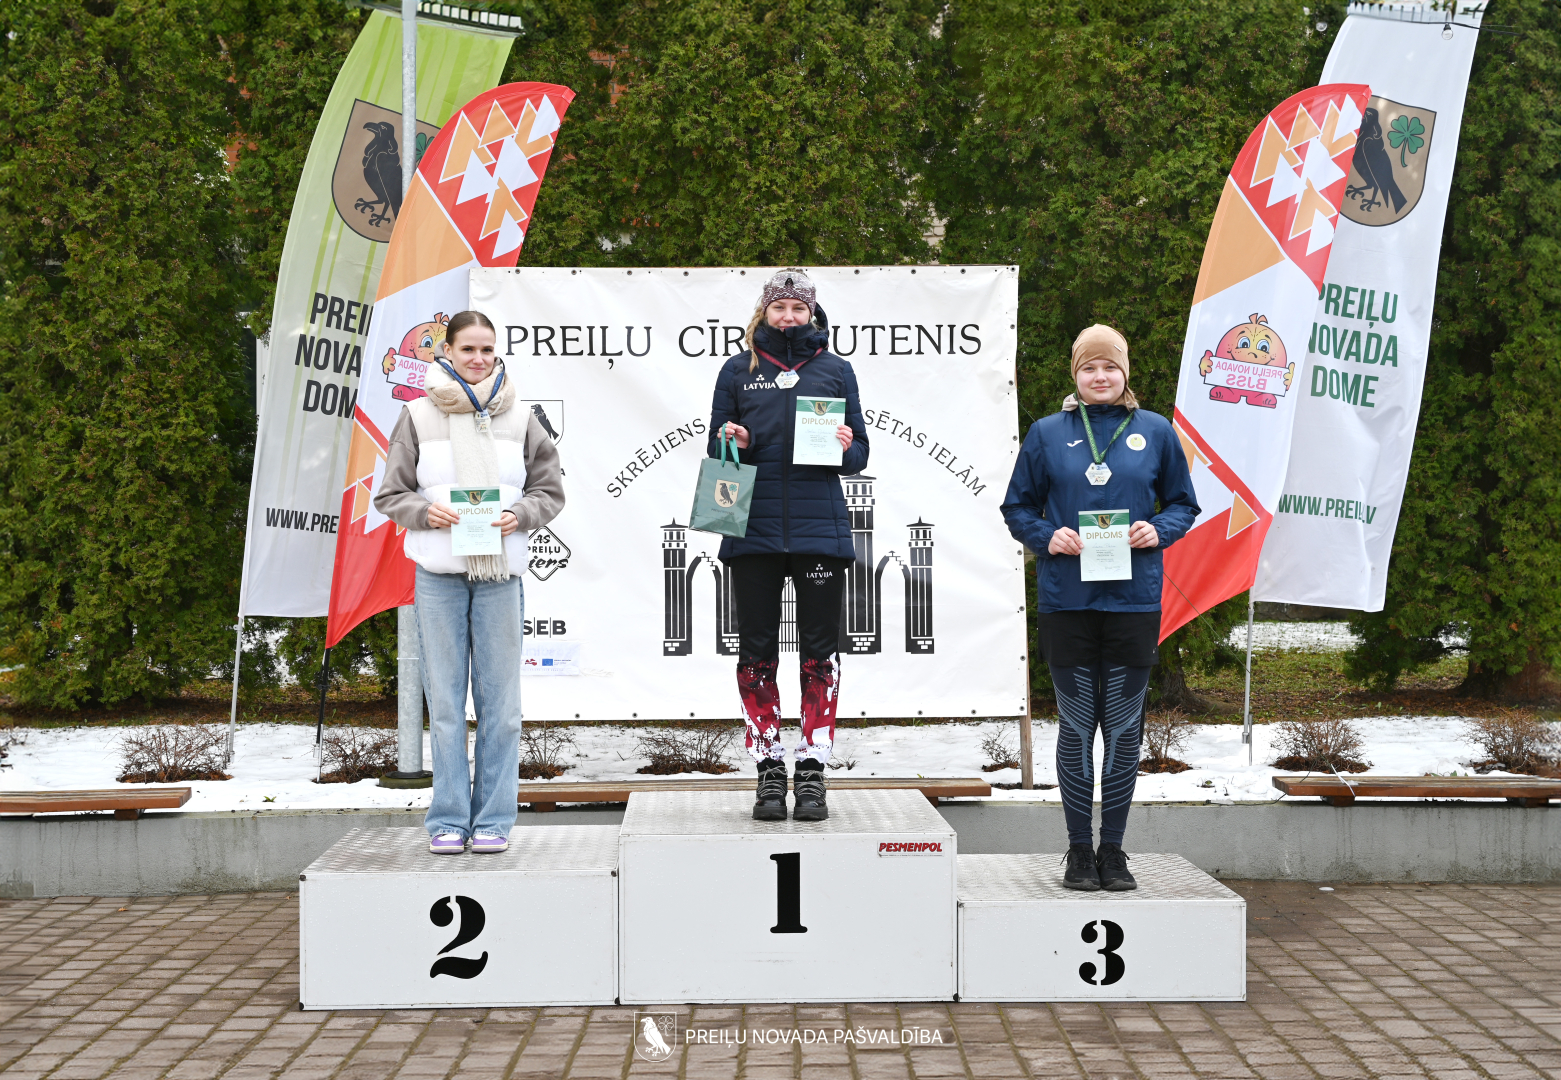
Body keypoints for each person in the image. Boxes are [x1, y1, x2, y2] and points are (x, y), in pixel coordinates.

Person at [1000, 325, 1199, 890]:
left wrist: (1158, 529)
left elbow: (1184, 503)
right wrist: (1047, 536)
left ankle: (1113, 849)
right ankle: (1078, 851)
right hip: (1068, 600)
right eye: (1089, 367)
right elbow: (1017, 507)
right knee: (1076, 725)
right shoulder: (1046, 433)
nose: (1100, 376)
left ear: (1124, 372)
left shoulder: (1155, 431)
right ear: (1076, 375)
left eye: (1110, 366)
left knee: (1123, 727)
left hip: (1133, 602)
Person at [374, 310, 565, 854]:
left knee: (501, 708)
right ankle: (449, 819)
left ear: (496, 352)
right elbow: (390, 494)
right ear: (448, 352)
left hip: (499, 576)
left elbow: (550, 491)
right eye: (467, 349)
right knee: (445, 706)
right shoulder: (417, 415)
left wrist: (520, 515)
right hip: (438, 577)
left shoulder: (521, 416)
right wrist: (424, 512)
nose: (478, 359)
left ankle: (494, 819)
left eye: (487, 349)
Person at [707, 269, 869, 822]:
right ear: (764, 313)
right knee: (756, 653)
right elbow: (717, 448)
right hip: (752, 529)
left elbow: (859, 456)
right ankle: (768, 768)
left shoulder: (835, 370)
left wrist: (844, 446)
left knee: (820, 653)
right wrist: (735, 440)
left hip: (818, 530)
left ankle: (813, 768)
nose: (789, 317)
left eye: (798, 308)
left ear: (812, 314)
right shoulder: (738, 369)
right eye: (779, 308)